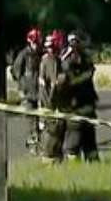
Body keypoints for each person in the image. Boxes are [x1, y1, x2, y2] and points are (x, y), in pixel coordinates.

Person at [61, 32, 100, 161]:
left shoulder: (85, 59)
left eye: (77, 43)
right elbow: (69, 80)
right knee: (74, 137)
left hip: (87, 103)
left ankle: (92, 159)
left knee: (89, 136)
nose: (75, 46)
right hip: (74, 105)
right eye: (72, 43)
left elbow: (91, 69)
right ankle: (74, 160)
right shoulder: (66, 61)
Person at [11, 28, 44, 151]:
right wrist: (22, 86)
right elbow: (15, 71)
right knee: (31, 120)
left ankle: (41, 142)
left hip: (40, 92)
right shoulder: (24, 55)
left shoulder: (42, 54)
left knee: (43, 119)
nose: (36, 45)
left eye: (38, 43)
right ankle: (33, 142)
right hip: (27, 93)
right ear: (29, 42)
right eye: (34, 43)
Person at [38, 30, 67, 161]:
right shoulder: (47, 61)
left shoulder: (58, 61)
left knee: (59, 128)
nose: (51, 50)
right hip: (47, 101)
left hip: (56, 101)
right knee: (49, 130)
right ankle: (48, 155)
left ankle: (56, 155)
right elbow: (48, 84)